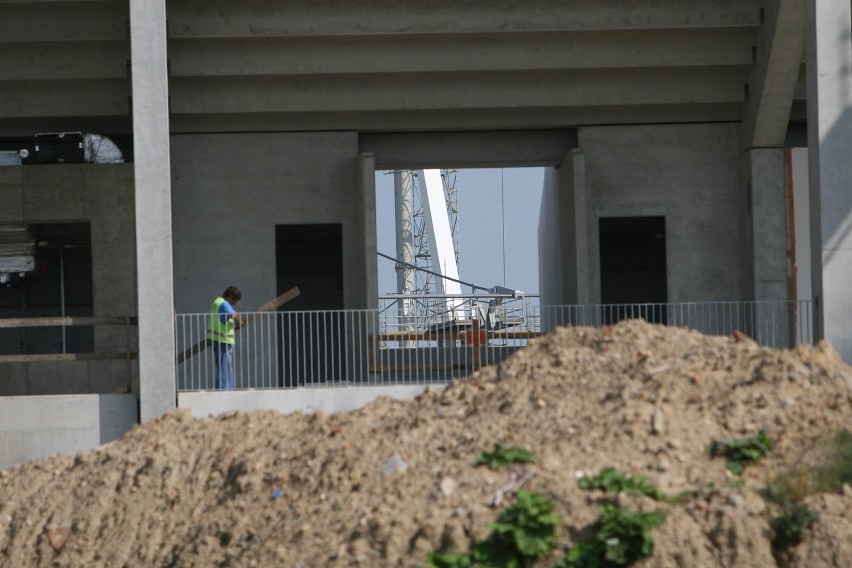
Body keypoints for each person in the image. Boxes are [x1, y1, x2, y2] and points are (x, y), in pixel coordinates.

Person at [207, 286, 242, 390]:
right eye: (235, 301)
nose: (234, 304)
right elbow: (234, 315)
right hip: (224, 340)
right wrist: (240, 321)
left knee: (224, 368)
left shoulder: (216, 302)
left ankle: (226, 390)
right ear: (231, 297)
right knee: (225, 369)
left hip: (217, 339)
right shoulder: (224, 304)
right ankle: (224, 392)